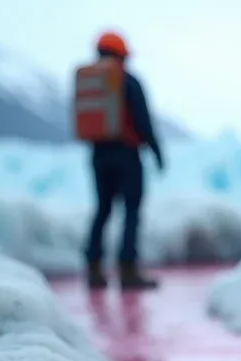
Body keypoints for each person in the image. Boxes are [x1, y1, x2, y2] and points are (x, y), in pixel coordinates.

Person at [73, 31, 165, 290]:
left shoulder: (92, 83)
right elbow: (143, 121)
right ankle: (127, 271)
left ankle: (93, 268)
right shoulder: (128, 81)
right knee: (131, 211)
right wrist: (157, 152)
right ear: (123, 54)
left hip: (98, 153)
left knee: (102, 210)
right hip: (126, 153)